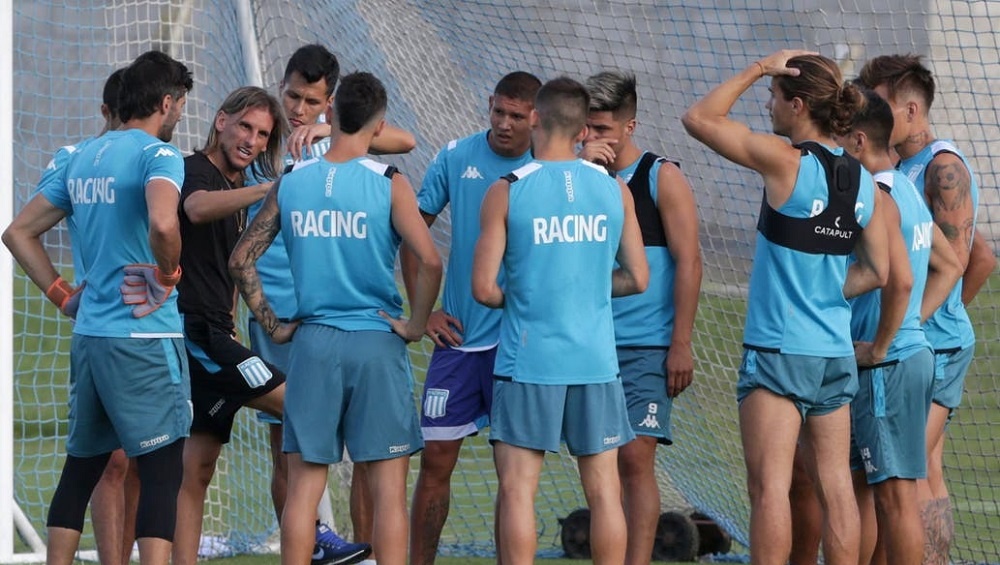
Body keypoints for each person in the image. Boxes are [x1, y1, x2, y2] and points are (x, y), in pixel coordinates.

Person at [682, 51, 891, 565]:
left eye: (773, 96)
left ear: (797, 105)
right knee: (837, 487)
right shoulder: (862, 181)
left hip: (778, 351)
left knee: (769, 489)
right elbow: (879, 271)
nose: (768, 104)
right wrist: (823, 292)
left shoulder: (784, 160)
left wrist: (757, 67)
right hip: (832, 353)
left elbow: (699, 119)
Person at [230, 71, 441, 565]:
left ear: (331, 114)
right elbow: (430, 261)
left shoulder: (292, 179)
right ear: (379, 124)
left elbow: (241, 258)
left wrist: (275, 325)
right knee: (388, 492)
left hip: (313, 345)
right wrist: (414, 325)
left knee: (303, 490)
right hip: (375, 344)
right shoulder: (389, 182)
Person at [3, 50, 193, 565]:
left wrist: (62, 295)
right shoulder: (158, 155)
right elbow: (163, 224)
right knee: (161, 470)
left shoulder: (80, 155)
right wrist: (169, 275)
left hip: (90, 337)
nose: (179, 116)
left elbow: (18, 232)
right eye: (179, 106)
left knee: (81, 468)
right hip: (144, 336)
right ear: (166, 103)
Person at [472, 76, 650, 565]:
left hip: (530, 360)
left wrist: (533, 290)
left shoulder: (506, 190)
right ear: (580, 129)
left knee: (517, 491)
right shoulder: (615, 189)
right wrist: (589, 284)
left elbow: (484, 289)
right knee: (605, 494)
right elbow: (637, 277)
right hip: (595, 361)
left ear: (534, 117)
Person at [168, 86, 323, 565]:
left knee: (196, 469)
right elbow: (193, 209)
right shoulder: (195, 171)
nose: (252, 140)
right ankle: (316, 540)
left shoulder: (232, 187)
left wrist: (245, 323)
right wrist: (268, 191)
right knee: (306, 409)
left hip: (218, 334)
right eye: (245, 127)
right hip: (197, 337)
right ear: (220, 121)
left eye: (262, 134)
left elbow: (231, 267)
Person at [855, 54, 994, 565]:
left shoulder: (943, 166)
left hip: (930, 344)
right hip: (920, 340)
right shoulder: (902, 166)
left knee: (895, 479)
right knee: (923, 468)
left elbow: (964, 262)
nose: (868, 110)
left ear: (910, 110)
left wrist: (919, 318)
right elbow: (978, 256)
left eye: (879, 102)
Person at [404, 70, 541, 565]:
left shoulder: (547, 166)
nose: (504, 124)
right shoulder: (455, 155)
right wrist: (426, 309)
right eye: (498, 112)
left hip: (518, 343)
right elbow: (414, 232)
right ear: (489, 105)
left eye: (516, 116)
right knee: (435, 463)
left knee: (515, 473)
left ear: (536, 118)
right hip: (457, 340)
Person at [579, 70, 703, 565]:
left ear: (631, 126)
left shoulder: (660, 177)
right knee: (597, 463)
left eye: (604, 129)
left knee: (635, 458)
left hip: (647, 347)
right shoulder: (574, 178)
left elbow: (690, 261)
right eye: (587, 127)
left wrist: (681, 342)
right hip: (586, 344)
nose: (594, 138)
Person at [839, 89, 962, 565]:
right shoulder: (906, 189)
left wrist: (885, 341)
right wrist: (911, 325)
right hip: (904, 355)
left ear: (857, 140)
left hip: (886, 363)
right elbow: (948, 266)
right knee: (868, 491)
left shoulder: (879, 196)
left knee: (894, 497)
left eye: (838, 135)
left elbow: (903, 277)